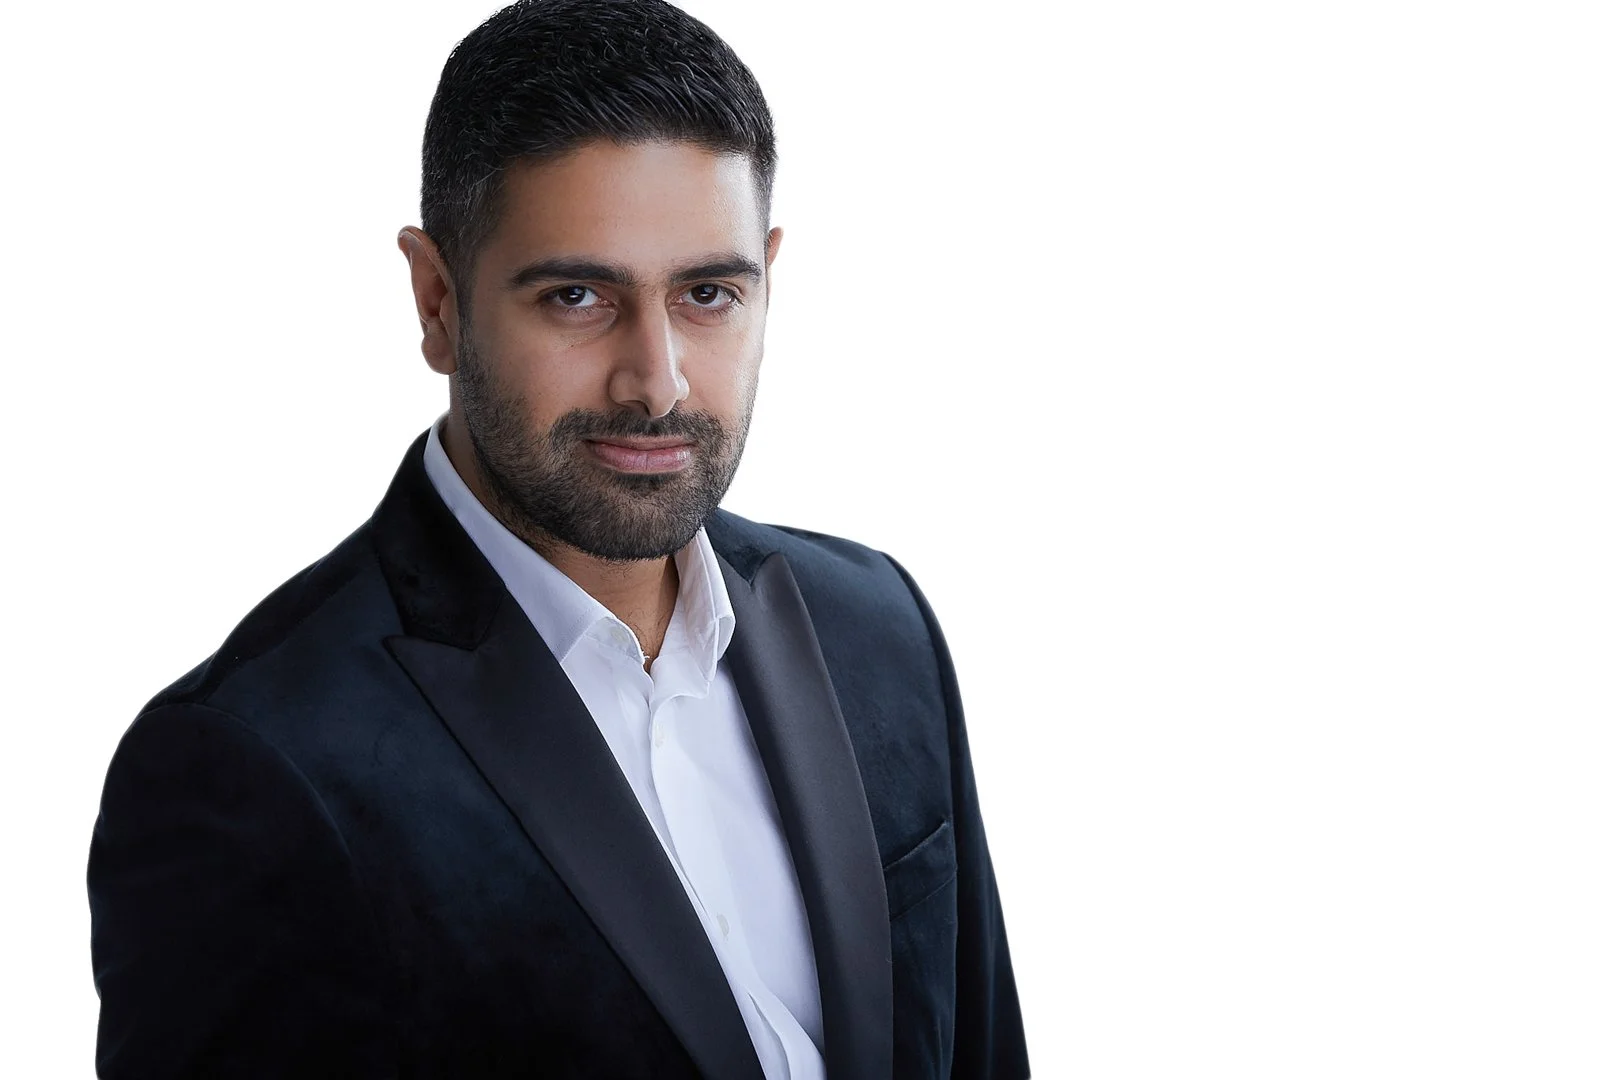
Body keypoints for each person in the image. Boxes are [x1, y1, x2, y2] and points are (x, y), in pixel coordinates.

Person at [86, 1, 1027, 1076]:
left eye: (709, 293)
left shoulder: (878, 626)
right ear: (438, 302)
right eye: (578, 295)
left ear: (768, 276)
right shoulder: (254, 765)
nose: (658, 380)